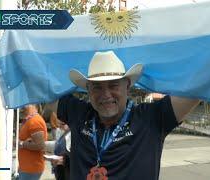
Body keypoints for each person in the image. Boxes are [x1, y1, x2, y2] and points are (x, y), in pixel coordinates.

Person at [52, 51, 200, 180]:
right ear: (88, 91)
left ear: (127, 86)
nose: (106, 94)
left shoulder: (151, 117)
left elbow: (199, 87)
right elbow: (42, 88)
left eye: (113, 85)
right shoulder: (79, 113)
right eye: (97, 87)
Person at [18, 104, 48, 180]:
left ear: (34, 105)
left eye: (26, 104)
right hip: (27, 168)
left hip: (31, 168)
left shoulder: (35, 121)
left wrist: (22, 144)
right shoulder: (30, 120)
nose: (22, 106)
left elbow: (40, 145)